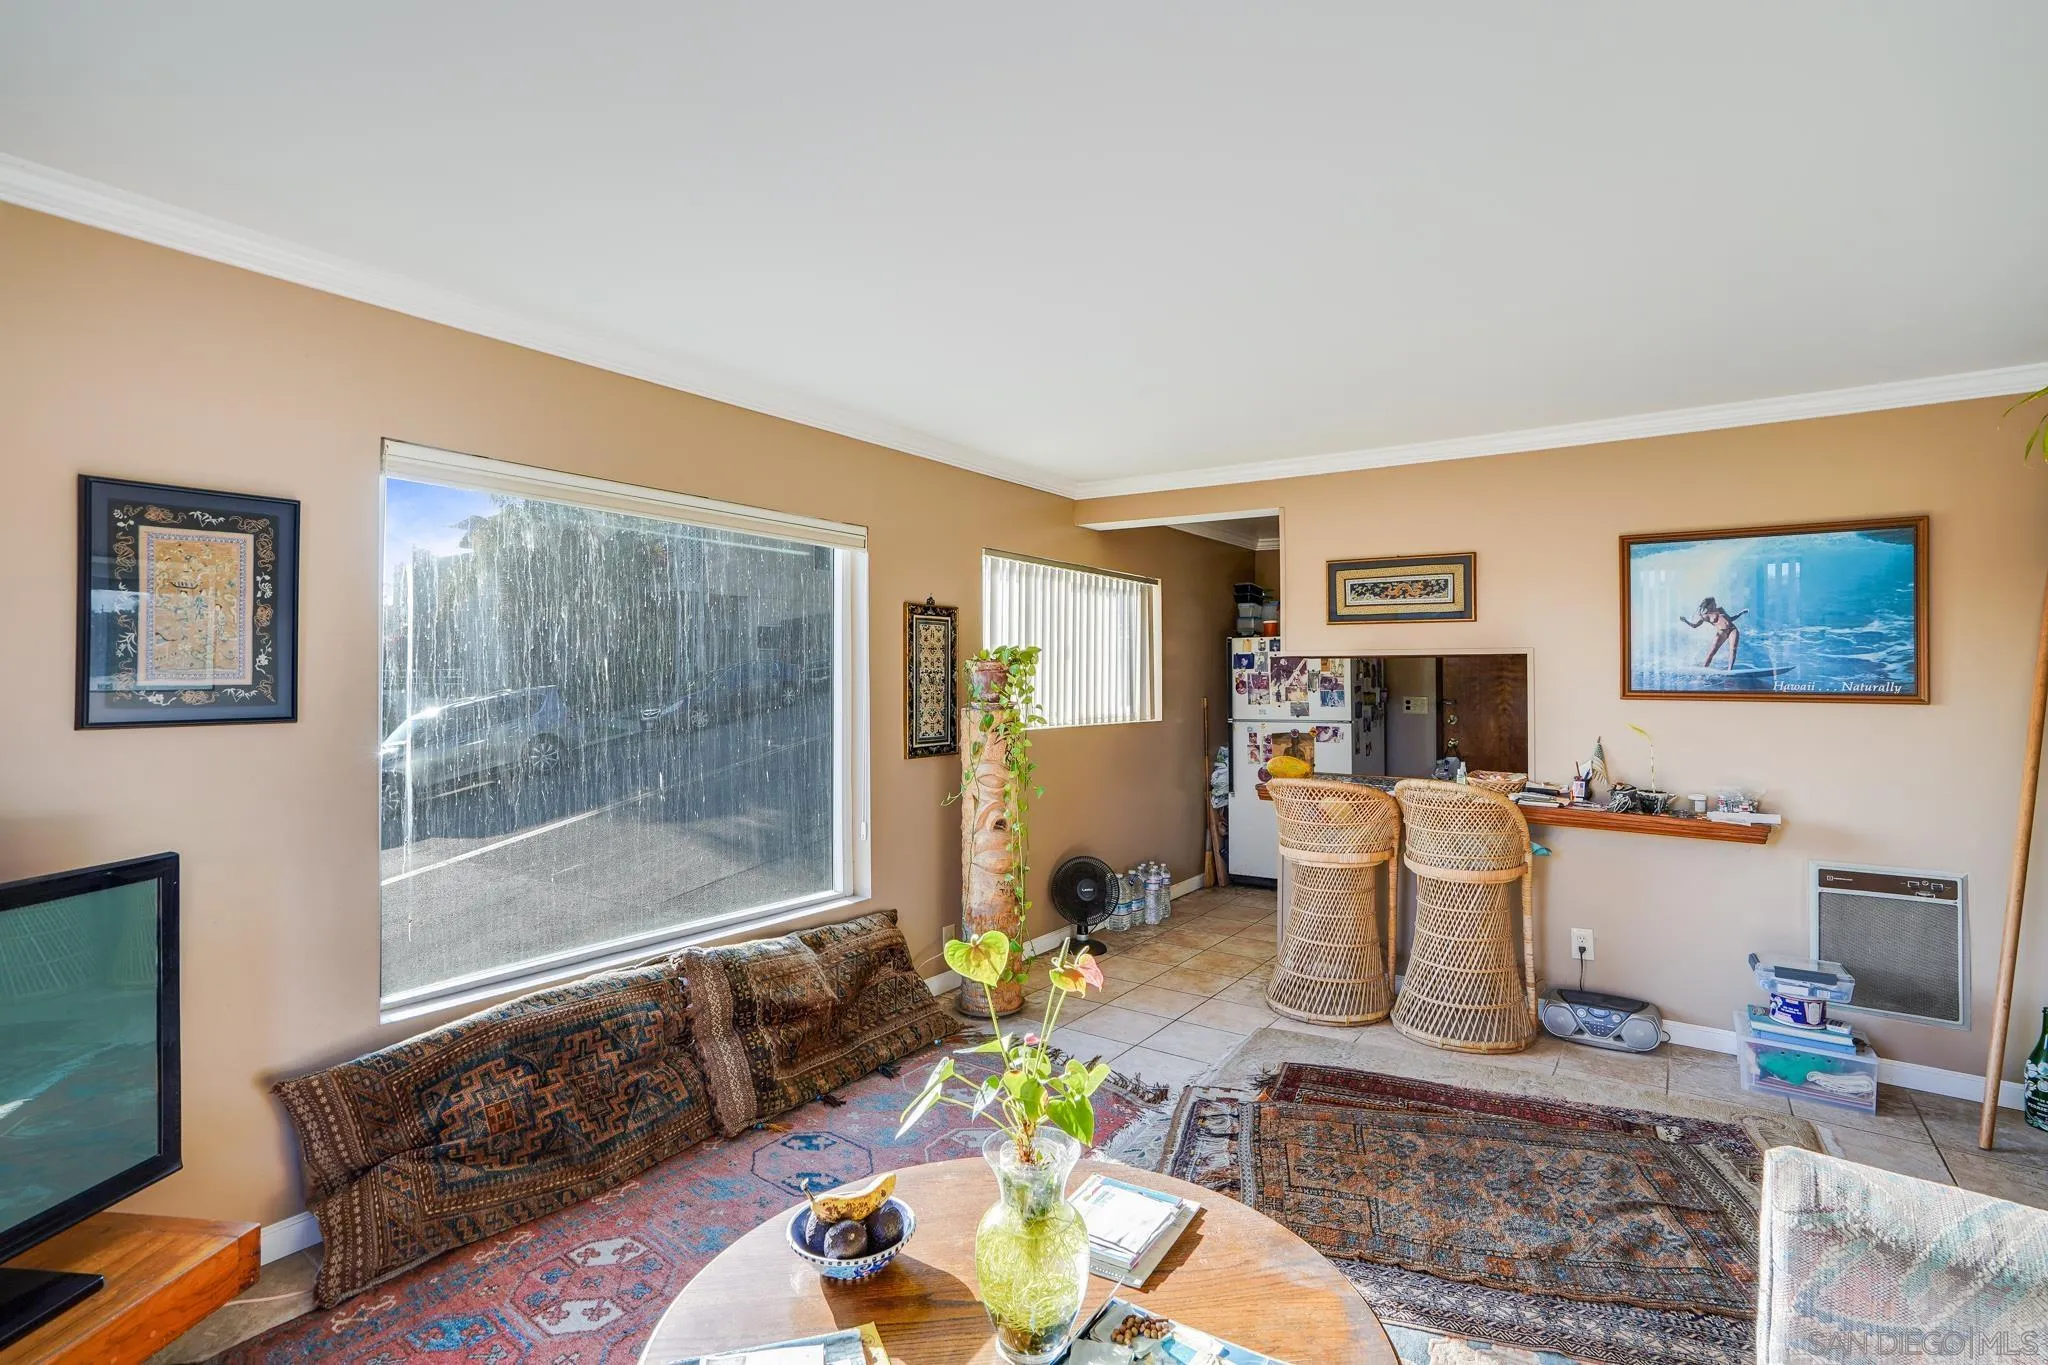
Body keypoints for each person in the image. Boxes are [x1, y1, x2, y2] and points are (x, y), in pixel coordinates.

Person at [1680, 597, 1749, 668]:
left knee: (1733, 649)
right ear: (1708, 605)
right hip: (1721, 633)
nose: (1715, 604)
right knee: (1711, 653)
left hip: (1732, 630)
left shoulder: (1720, 609)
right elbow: (1695, 626)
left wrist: (1741, 613)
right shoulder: (1705, 616)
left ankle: (1729, 670)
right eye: (1713, 604)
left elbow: (1731, 619)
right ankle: (1704, 669)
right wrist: (1686, 621)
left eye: (1715, 603)